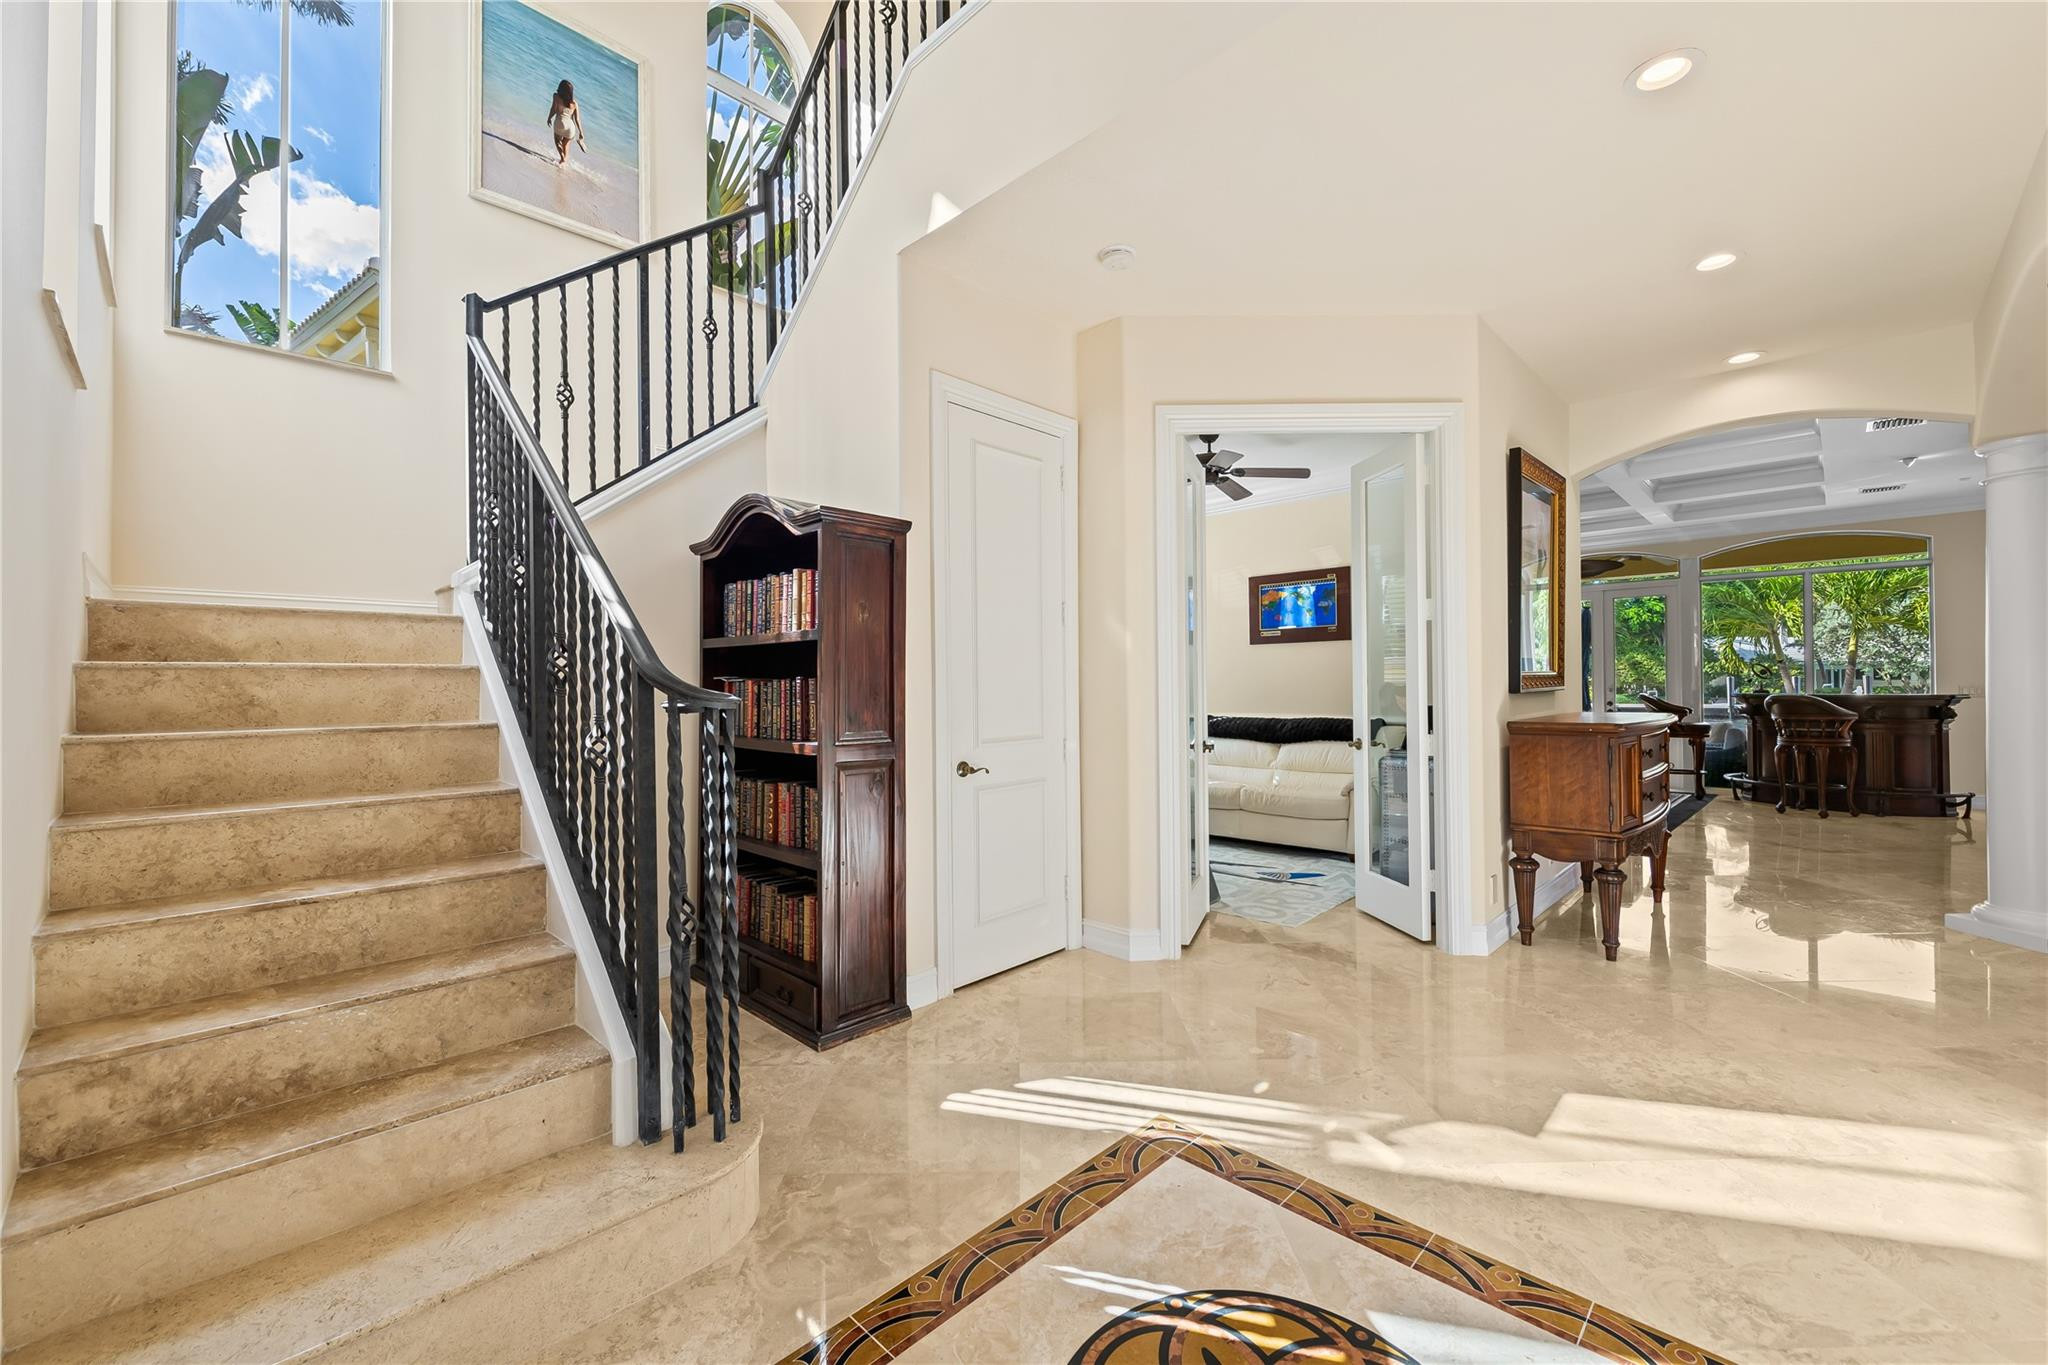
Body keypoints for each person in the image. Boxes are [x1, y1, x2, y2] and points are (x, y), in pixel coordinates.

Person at [547, 79, 587, 167]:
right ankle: (564, 162)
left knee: (557, 141)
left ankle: (562, 158)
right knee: (566, 145)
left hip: (559, 123)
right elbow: (577, 119)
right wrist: (581, 133)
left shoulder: (556, 96)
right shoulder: (574, 103)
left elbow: (553, 109)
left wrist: (549, 117)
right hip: (570, 128)